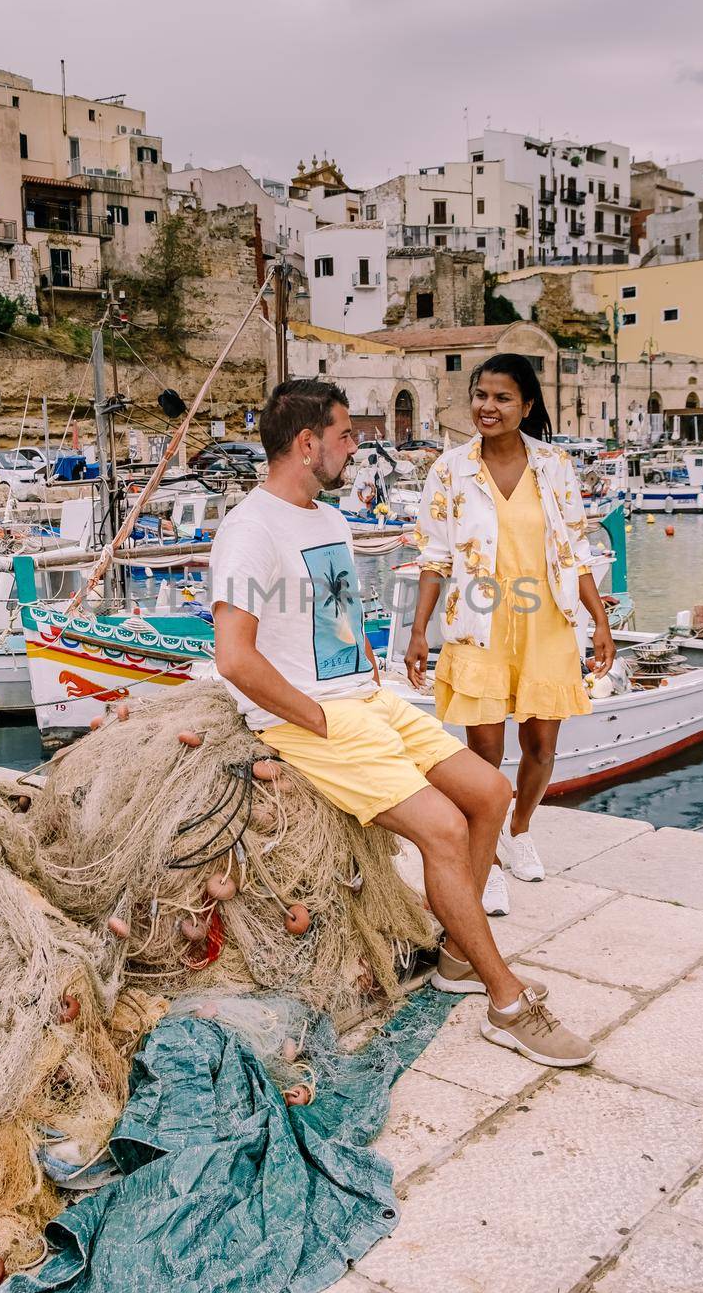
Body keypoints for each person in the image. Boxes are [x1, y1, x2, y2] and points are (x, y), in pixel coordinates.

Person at [210, 377, 594, 1069]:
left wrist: (362, 665)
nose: (356, 448)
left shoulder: (327, 520)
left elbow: (327, 610)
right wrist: (315, 717)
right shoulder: (249, 530)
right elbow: (234, 657)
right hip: (312, 719)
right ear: (307, 444)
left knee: (490, 794)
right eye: (345, 435)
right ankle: (505, 1002)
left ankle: (454, 955)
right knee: (444, 828)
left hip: (367, 698)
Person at [405, 354, 615, 918]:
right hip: (479, 622)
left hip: (547, 619)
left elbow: (576, 550)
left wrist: (599, 622)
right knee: (484, 754)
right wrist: (419, 629)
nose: (487, 408)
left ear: (526, 406)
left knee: (542, 745)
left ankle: (518, 830)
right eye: (480, 396)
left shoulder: (555, 465)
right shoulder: (448, 470)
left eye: (501, 398)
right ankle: (487, 864)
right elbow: (434, 557)